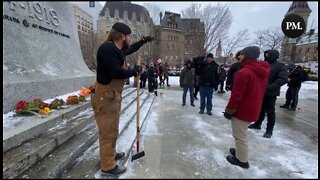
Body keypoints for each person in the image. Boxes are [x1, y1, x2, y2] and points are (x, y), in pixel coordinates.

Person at [91, 22, 154, 177]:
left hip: (112, 95)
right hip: (105, 95)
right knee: (108, 132)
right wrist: (134, 71)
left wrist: (144, 41)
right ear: (122, 36)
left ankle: (109, 154)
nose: (130, 39)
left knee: (112, 129)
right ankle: (108, 166)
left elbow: (130, 49)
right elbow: (116, 72)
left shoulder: (117, 49)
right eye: (129, 36)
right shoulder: (107, 49)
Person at [223, 46, 270, 169]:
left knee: (240, 136)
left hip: (242, 111)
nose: (239, 56)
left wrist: (229, 111)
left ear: (247, 56)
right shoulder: (261, 71)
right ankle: (240, 152)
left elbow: (236, 96)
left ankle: (242, 160)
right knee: (242, 133)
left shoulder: (244, 73)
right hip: (254, 108)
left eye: (241, 54)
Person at [248, 50, 288, 138]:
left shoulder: (280, 66)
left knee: (270, 111)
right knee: (260, 109)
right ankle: (257, 123)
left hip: (271, 93)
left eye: (268, 55)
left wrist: (271, 87)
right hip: (261, 91)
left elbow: (283, 78)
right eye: (265, 54)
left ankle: (269, 130)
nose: (266, 56)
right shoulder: (263, 64)